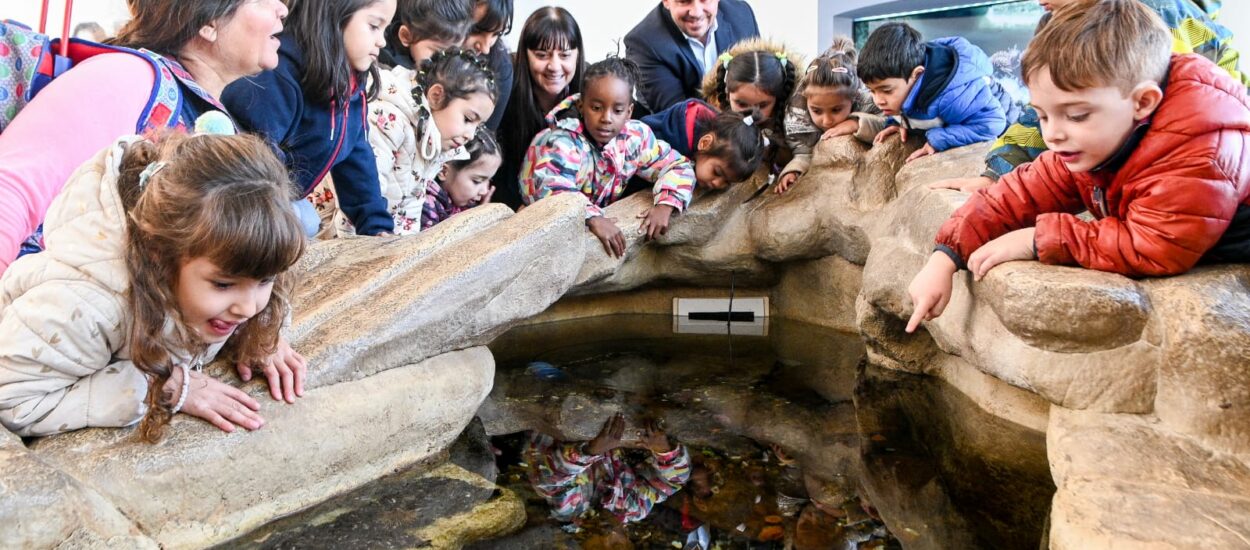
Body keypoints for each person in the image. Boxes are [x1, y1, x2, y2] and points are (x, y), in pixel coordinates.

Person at [906, 0, 1250, 333]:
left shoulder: (1199, 147)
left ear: (1143, 102)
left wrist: (1038, 239)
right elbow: (1019, 193)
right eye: (1042, 115)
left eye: (1076, 115)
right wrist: (945, 256)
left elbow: (1156, 244)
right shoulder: (1092, 142)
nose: (1052, 134)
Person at [0, 132, 307, 440]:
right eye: (224, 284)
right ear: (160, 255)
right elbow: (12, 400)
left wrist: (259, 335)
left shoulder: (215, 268)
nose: (248, 307)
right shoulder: (83, 306)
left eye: (264, 280)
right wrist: (166, 386)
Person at [0, 0, 289, 275]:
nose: (282, 8)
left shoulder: (198, 107)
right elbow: (10, 191)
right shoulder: (125, 77)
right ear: (208, 22)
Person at [937, 0, 1250, 193]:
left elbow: (1207, 104)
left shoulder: (1155, 17)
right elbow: (1049, 107)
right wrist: (997, 172)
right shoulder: (1066, 22)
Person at [222, 0, 398, 237]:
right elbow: (253, 157)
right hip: (242, 201)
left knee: (307, 221)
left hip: (282, 198)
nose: (383, 41)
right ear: (335, 14)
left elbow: (358, 156)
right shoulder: (278, 73)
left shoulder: (350, 83)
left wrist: (376, 227)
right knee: (304, 223)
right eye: (374, 26)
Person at [520, 57, 696, 256]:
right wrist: (593, 218)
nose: (606, 118)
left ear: (629, 112)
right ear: (580, 106)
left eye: (618, 110)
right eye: (596, 108)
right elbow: (554, 190)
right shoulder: (561, 142)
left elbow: (678, 165)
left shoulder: (634, 138)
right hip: (533, 225)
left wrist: (666, 204)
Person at [329, 48, 496, 236]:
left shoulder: (435, 143)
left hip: (378, 237)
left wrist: (405, 251)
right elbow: (359, 192)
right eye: (468, 119)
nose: (471, 135)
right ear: (436, 96)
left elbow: (411, 206)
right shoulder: (388, 121)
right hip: (341, 231)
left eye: (478, 125)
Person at [855, 22, 1017, 165]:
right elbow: (910, 99)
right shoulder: (909, 72)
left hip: (1009, 132)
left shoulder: (952, 96)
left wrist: (938, 140)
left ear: (917, 75)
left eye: (886, 91)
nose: (878, 100)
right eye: (872, 91)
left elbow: (992, 124)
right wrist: (899, 121)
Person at [494, 7, 585, 211]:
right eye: (542, 55)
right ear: (525, 55)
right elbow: (492, 167)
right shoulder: (504, 92)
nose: (554, 66)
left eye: (565, 55)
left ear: (577, 55)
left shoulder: (591, 91)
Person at [526, 413, 691, 526]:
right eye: (616, 546)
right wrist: (664, 452)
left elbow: (548, 479)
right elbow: (672, 482)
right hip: (612, 414)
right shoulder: (632, 509)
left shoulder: (570, 511)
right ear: (626, 541)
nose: (606, 539)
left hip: (556, 418)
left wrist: (590, 452)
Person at [777, 36, 881, 194]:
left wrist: (857, 123)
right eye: (817, 111)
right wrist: (793, 171)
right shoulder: (797, 115)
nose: (826, 121)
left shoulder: (869, 100)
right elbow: (803, 153)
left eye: (836, 110)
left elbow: (891, 123)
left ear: (853, 98)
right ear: (806, 100)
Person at [624, 0, 760, 112]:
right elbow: (681, 118)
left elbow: (761, 83)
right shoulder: (644, 44)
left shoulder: (742, 14)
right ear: (666, 1)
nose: (696, 12)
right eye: (684, 1)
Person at [699, 38, 803, 174]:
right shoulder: (709, 117)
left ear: (779, 98)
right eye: (741, 103)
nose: (752, 112)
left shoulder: (796, 124)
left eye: (763, 105)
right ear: (726, 93)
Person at [641, 100, 767, 191]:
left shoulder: (719, 139)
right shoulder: (664, 141)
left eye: (727, 182)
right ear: (705, 143)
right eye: (717, 172)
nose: (717, 184)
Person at [424, 129, 502, 229]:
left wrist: (480, 214)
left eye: (489, 180)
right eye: (477, 181)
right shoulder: (427, 208)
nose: (485, 191)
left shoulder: (464, 203)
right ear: (443, 171)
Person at [377, 0, 475, 70]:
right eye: (438, 52)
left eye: (455, 52)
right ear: (406, 36)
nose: (447, 63)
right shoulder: (384, 72)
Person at [464, 0, 515, 131]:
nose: (486, 48)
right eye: (476, 30)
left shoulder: (500, 68)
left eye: (496, 34)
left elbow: (484, 138)